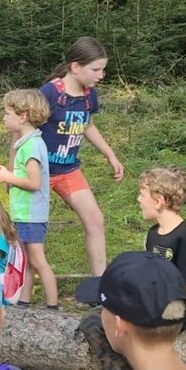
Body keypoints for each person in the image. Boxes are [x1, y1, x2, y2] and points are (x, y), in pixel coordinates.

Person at [78, 166, 186, 370]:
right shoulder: (153, 235)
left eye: (142, 194)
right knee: (93, 320)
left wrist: (158, 288)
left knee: (132, 328)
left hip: (176, 308)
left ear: (159, 201)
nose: (138, 199)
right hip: (150, 300)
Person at [40, 36, 124, 276]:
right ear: (75, 67)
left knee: (95, 219)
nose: (101, 75)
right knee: (33, 229)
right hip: (40, 171)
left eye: (103, 69)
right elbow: (24, 130)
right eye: (96, 69)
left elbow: (87, 126)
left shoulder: (89, 95)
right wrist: (16, 168)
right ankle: (20, 279)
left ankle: (100, 282)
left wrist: (110, 155)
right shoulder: (49, 93)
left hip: (69, 170)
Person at [0, 89, 57, 308]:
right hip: (23, 213)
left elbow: (34, 183)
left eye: (7, 113)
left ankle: (53, 305)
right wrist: (8, 175)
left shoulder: (32, 146)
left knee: (38, 261)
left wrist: (7, 177)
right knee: (25, 260)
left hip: (32, 215)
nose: (3, 118)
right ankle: (24, 302)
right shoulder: (25, 143)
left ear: (23, 116)